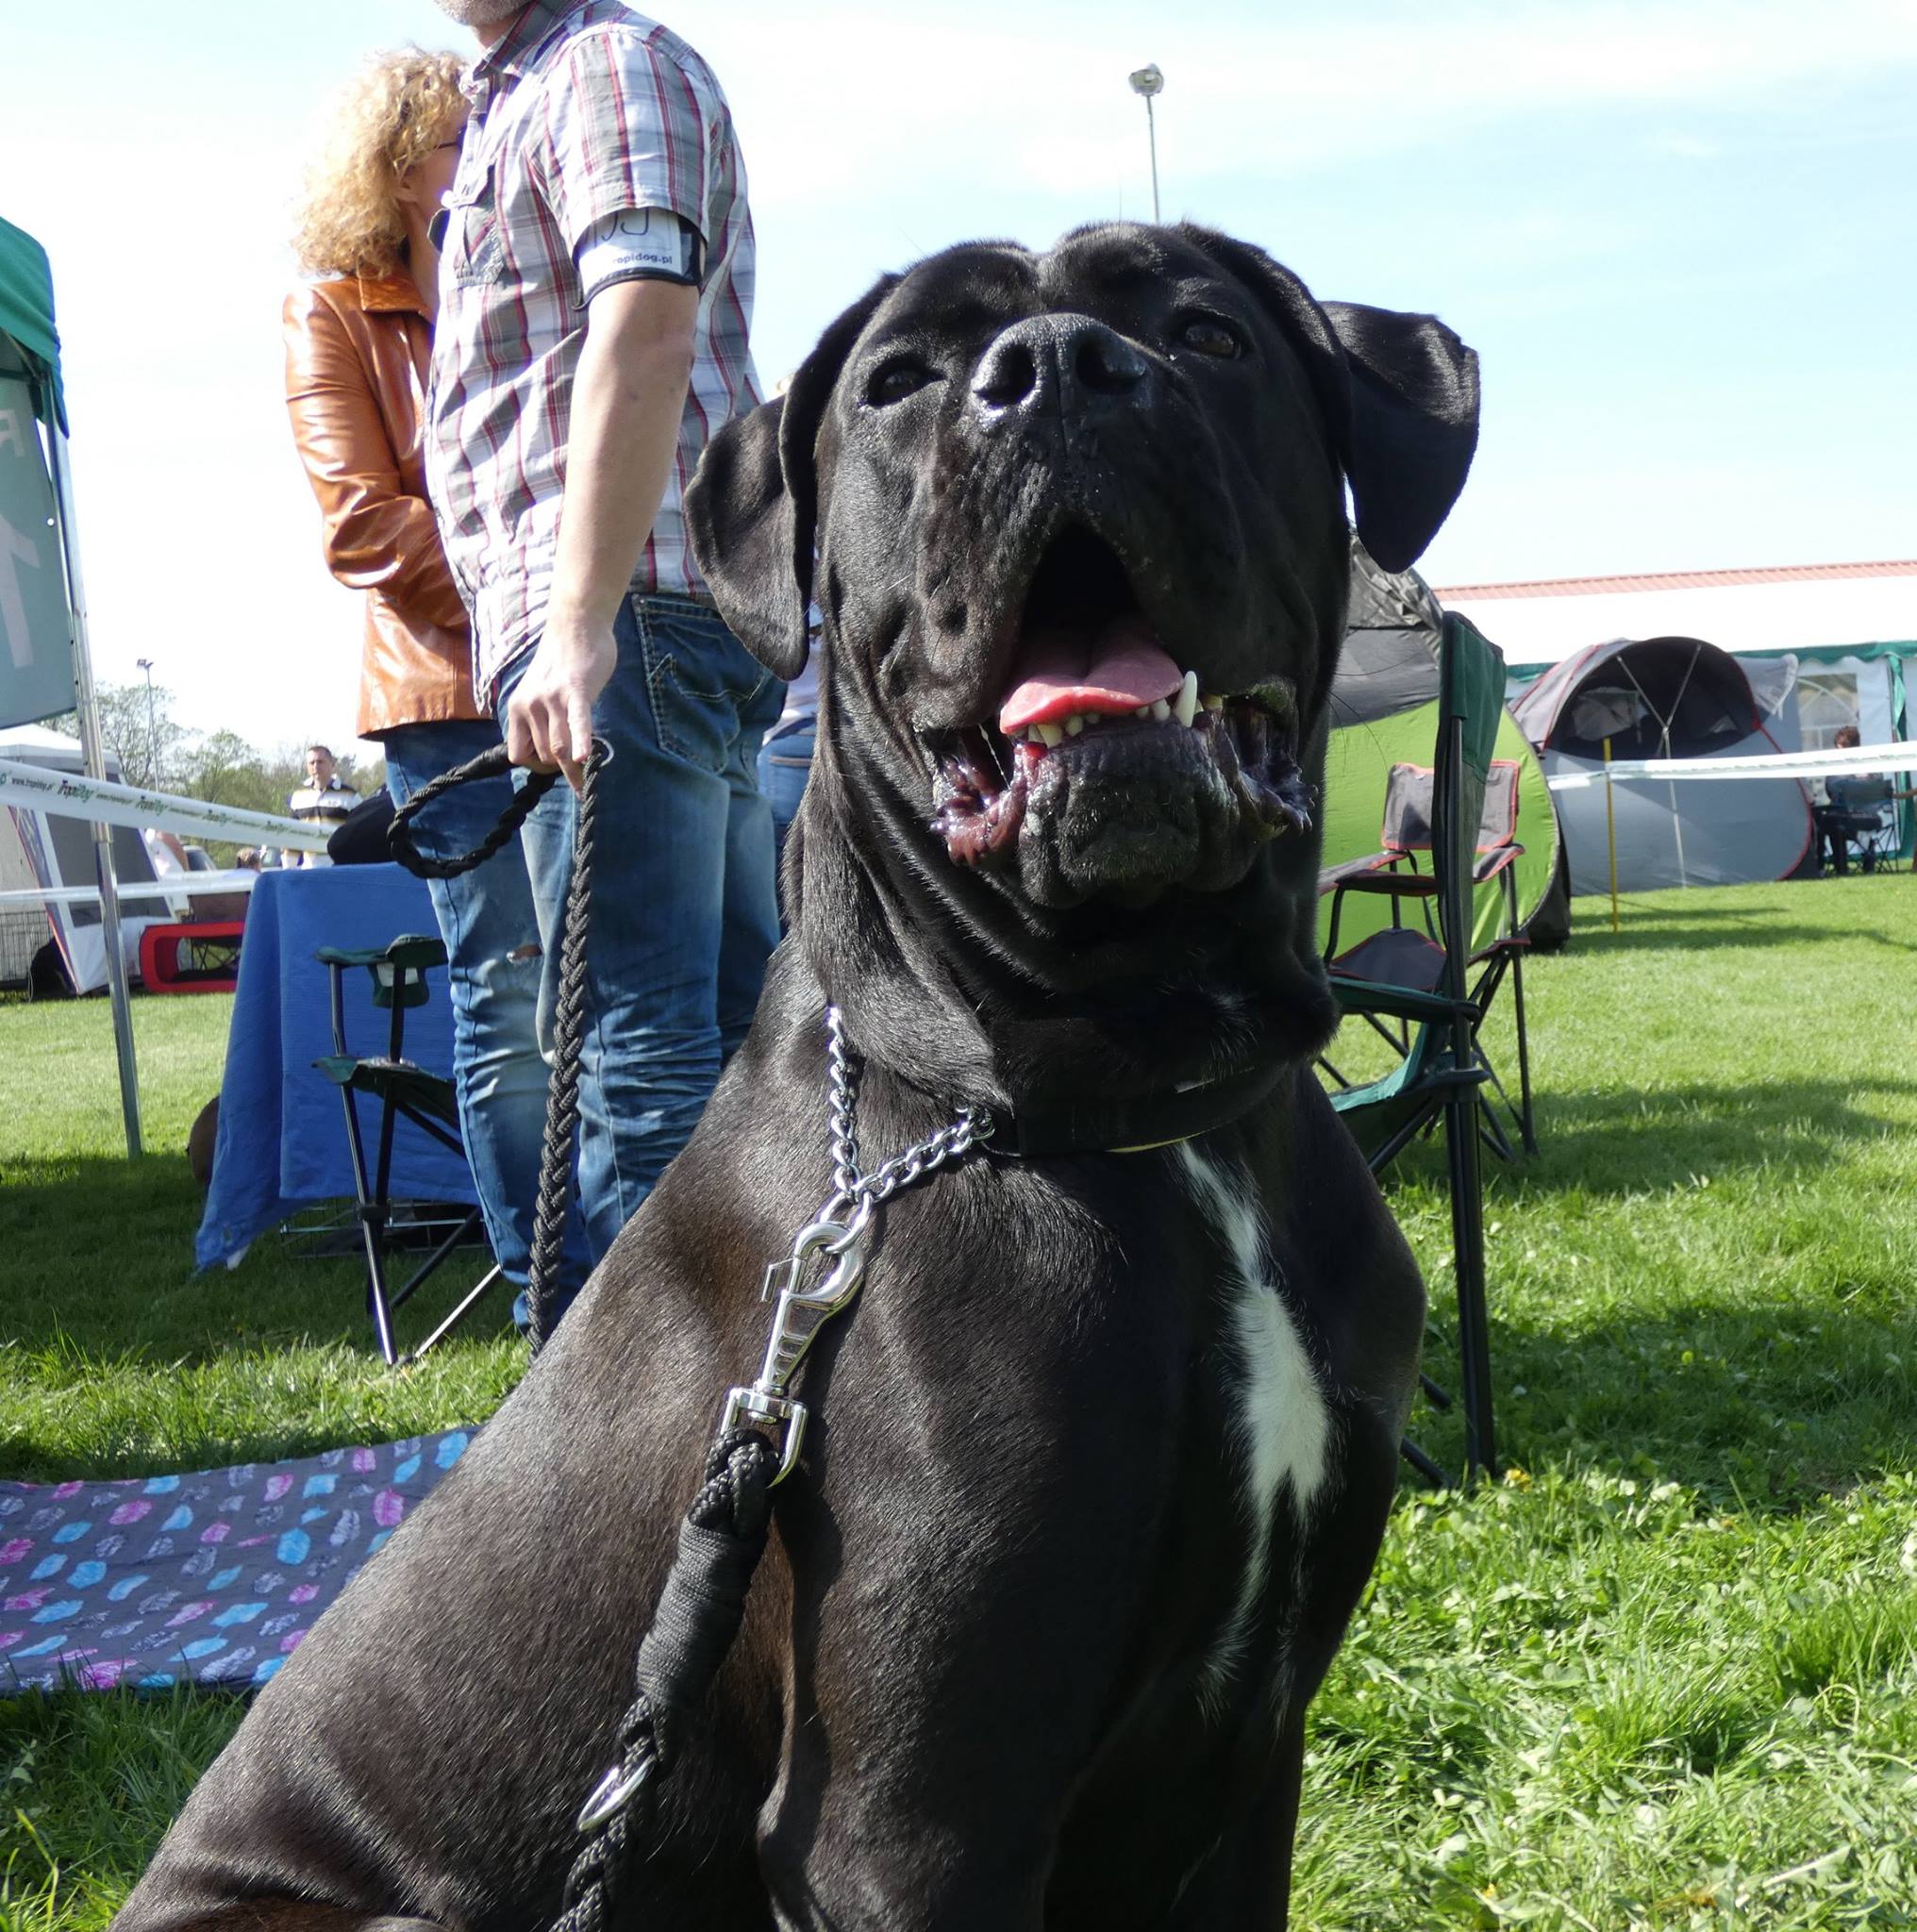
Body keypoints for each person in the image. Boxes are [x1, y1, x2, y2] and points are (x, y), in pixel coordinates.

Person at [425, 0, 780, 1270]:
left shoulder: (602, 68)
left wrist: (576, 617)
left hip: (631, 616)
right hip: (643, 613)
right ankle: (766, 1400)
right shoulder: (520, 94)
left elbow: (646, 325)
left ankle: (654, 1440)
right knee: (737, 1030)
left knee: (638, 1047)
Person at [285, 47, 589, 1316]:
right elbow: (360, 524)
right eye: (454, 141)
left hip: (578, 672)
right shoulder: (334, 309)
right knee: (506, 989)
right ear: (395, 165)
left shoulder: (536, 281)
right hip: (446, 702)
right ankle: (539, 1286)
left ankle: (624, 1276)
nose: (480, 160)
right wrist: (526, 600)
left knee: (598, 985)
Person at [286, 744, 358, 863]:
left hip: (340, 868)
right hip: (309, 869)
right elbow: (291, 835)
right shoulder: (298, 796)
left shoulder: (351, 796)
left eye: (320, 762)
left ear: (332, 764)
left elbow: (359, 834)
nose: (316, 766)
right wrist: (289, 870)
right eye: (312, 763)